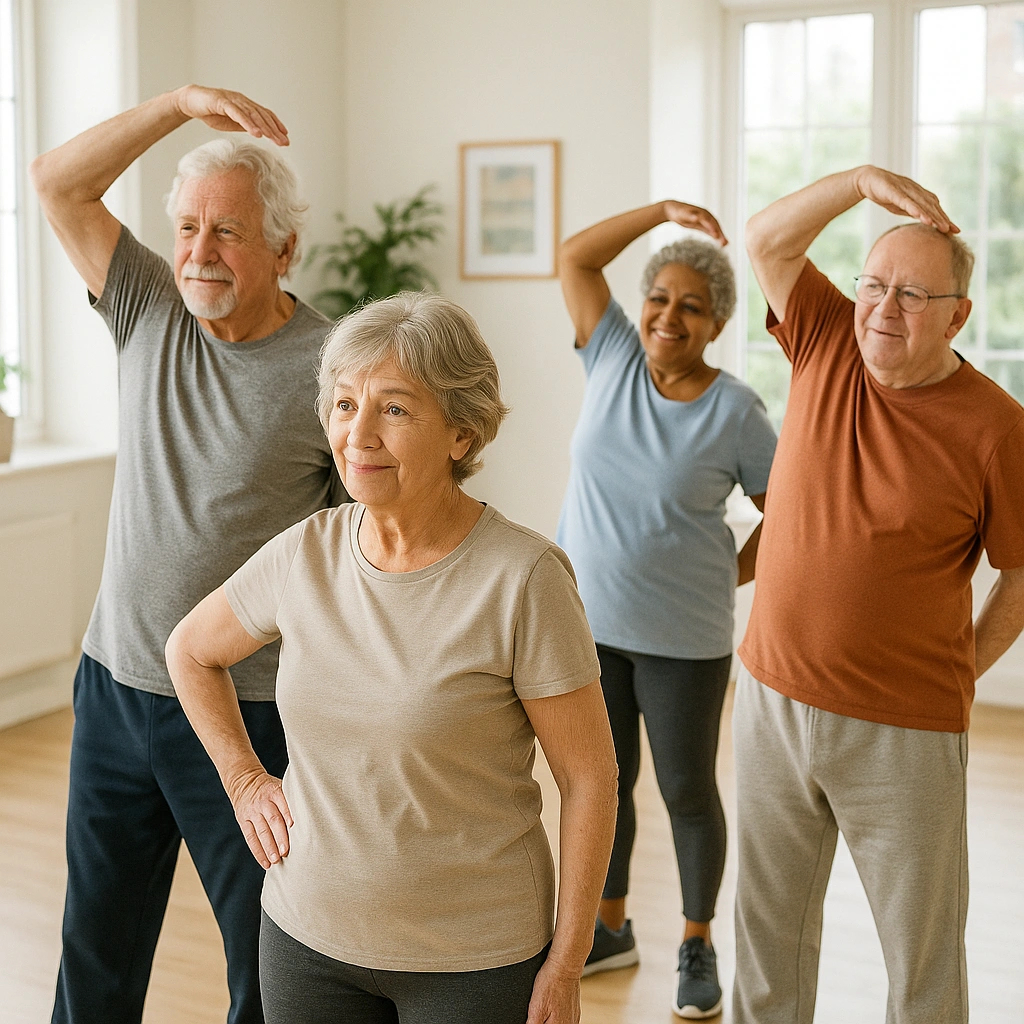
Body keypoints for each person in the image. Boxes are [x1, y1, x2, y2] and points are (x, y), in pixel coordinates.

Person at [165, 292, 620, 1024]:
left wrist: (567, 964)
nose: (359, 435)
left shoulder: (524, 578)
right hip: (304, 939)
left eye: (395, 409)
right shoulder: (305, 553)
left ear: (462, 434)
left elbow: (589, 775)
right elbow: (190, 650)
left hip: (474, 960)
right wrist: (246, 780)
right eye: (345, 405)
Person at [30, 85, 346, 1024]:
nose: (200, 252)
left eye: (229, 233)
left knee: (268, 965)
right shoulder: (147, 306)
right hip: (116, 687)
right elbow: (56, 182)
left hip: (248, 715)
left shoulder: (333, 370)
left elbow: (359, 550)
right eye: (188, 229)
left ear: (285, 249)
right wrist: (176, 104)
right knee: (97, 951)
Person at [736, 165, 1024, 1024]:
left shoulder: (996, 426)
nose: (883, 309)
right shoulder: (826, 337)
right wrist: (861, 181)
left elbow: (1021, 573)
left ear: (957, 316)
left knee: (921, 963)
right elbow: (765, 238)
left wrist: (960, 668)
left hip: (905, 728)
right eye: (874, 284)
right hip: (771, 701)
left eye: (911, 296)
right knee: (767, 950)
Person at [556, 202, 777, 1019]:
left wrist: (725, 573)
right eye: (659, 296)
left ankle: (696, 941)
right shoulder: (611, 352)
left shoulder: (737, 412)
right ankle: (610, 929)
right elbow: (576, 257)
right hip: (585, 626)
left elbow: (785, 517)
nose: (668, 315)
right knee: (601, 785)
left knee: (687, 792)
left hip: (685, 640)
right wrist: (657, 213)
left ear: (716, 322)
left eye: (690, 305)